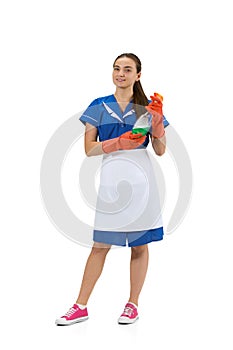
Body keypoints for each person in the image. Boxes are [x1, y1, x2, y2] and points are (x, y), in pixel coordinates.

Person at [55, 53, 169, 326]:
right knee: (100, 245)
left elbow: (161, 151)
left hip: (142, 183)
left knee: (140, 245)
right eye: (117, 68)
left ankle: (133, 304)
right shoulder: (98, 106)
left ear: (138, 75)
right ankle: (80, 305)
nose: (121, 73)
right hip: (111, 183)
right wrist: (119, 142)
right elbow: (88, 149)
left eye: (127, 69)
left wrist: (157, 124)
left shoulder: (146, 109)